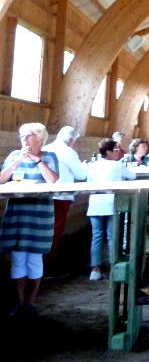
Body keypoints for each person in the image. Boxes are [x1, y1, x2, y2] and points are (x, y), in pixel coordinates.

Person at [0, 123, 59, 317]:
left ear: (41, 138)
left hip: (39, 215)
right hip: (17, 214)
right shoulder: (14, 156)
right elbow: (1, 179)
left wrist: (36, 159)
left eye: (29, 135)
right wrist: (17, 161)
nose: (24, 139)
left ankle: (31, 302)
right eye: (22, 136)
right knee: (17, 260)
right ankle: (19, 302)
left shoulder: (49, 156)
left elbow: (52, 180)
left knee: (34, 259)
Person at [42, 126, 87, 279]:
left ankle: (39, 265)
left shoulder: (46, 148)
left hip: (43, 195)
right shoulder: (68, 152)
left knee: (43, 230)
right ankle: (48, 267)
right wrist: (84, 166)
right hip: (60, 195)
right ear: (71, 140)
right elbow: (81, 175)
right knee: (55, 231)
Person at [87, 139, 135, 280]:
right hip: (111, 203)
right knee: (112, 236)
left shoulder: (93, 165)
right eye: (115, 149)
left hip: (95, 203)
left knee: (96, 236)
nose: (118, 152)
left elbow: (89, 182)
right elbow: (132, 176)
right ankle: (114, 266)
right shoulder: (117, 165)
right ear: (108, 152)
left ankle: (94, 269)